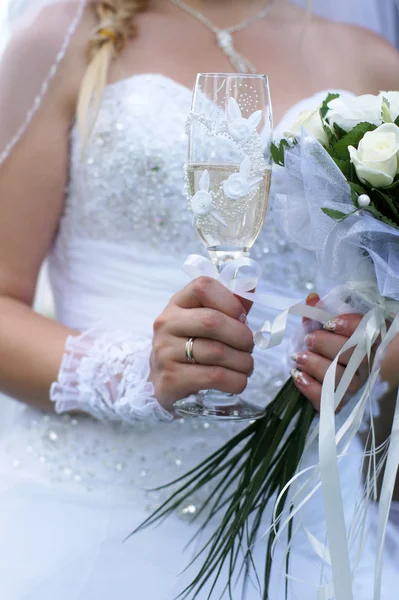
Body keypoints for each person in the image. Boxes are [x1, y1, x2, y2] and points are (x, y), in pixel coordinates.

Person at [0, 1, 398, 598]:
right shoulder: (63, 38)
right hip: (93, 515)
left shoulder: (372, 64)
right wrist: (132, 371)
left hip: (302, 523)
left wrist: (367, 350)